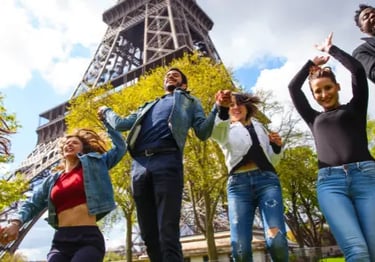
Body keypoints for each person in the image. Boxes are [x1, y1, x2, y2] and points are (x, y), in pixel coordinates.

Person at [97, 67, 230, 262]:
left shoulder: (190, 102)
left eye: (176, 75)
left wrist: (219, 108)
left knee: (167, 229)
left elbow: (202, 132)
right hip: (139, 165)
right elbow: (121, 124)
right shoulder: (148, 105)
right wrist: (106, 111)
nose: (170, 75)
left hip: (167, 160)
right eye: (167, 75)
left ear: (183, 85)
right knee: (148, 233)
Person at [288, 33, 375, 262]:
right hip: (330, 184)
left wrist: (331, 49)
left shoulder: (355, 108)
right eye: (318, 91)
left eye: (328, 88)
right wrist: (311, 64)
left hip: (366, 177)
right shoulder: (313, 118)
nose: (324, 94)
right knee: (357, 251)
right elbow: (293, 88)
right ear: (314, 95)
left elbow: (357, 70)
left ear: (337, 87)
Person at [0, 121, 126, 261]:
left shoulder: (95, 166)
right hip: (61, 240)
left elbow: (120, 147)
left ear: (83, 150)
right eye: (67, 143)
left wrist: (107, 120)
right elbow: (32, 204)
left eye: (75, 143)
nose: (69, 144)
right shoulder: (51, 181)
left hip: (88, 238)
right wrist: (16, 223)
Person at [211, 91, 289, 262]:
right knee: (240, 248)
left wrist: (276, 147)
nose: (236, 107)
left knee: (276, 241)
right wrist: (221, 109)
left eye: (239, 103)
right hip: (238, 187)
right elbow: (216, 131)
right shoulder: (225, 129)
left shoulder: (260, 127)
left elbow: (273, 160)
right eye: (231, 105)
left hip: (267, 182)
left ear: (247, 107)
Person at [352, 4, 375, 84]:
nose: (372, 15)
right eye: (366, 17)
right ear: (362, 29)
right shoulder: (361, 52)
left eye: (374, 12)